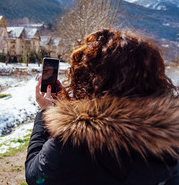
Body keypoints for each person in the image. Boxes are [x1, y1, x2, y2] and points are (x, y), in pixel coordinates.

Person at [25, 29, 179, 185]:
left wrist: (45, 113)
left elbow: (35, 177)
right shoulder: (169, 146)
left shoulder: (69, 145)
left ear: (87, 80)